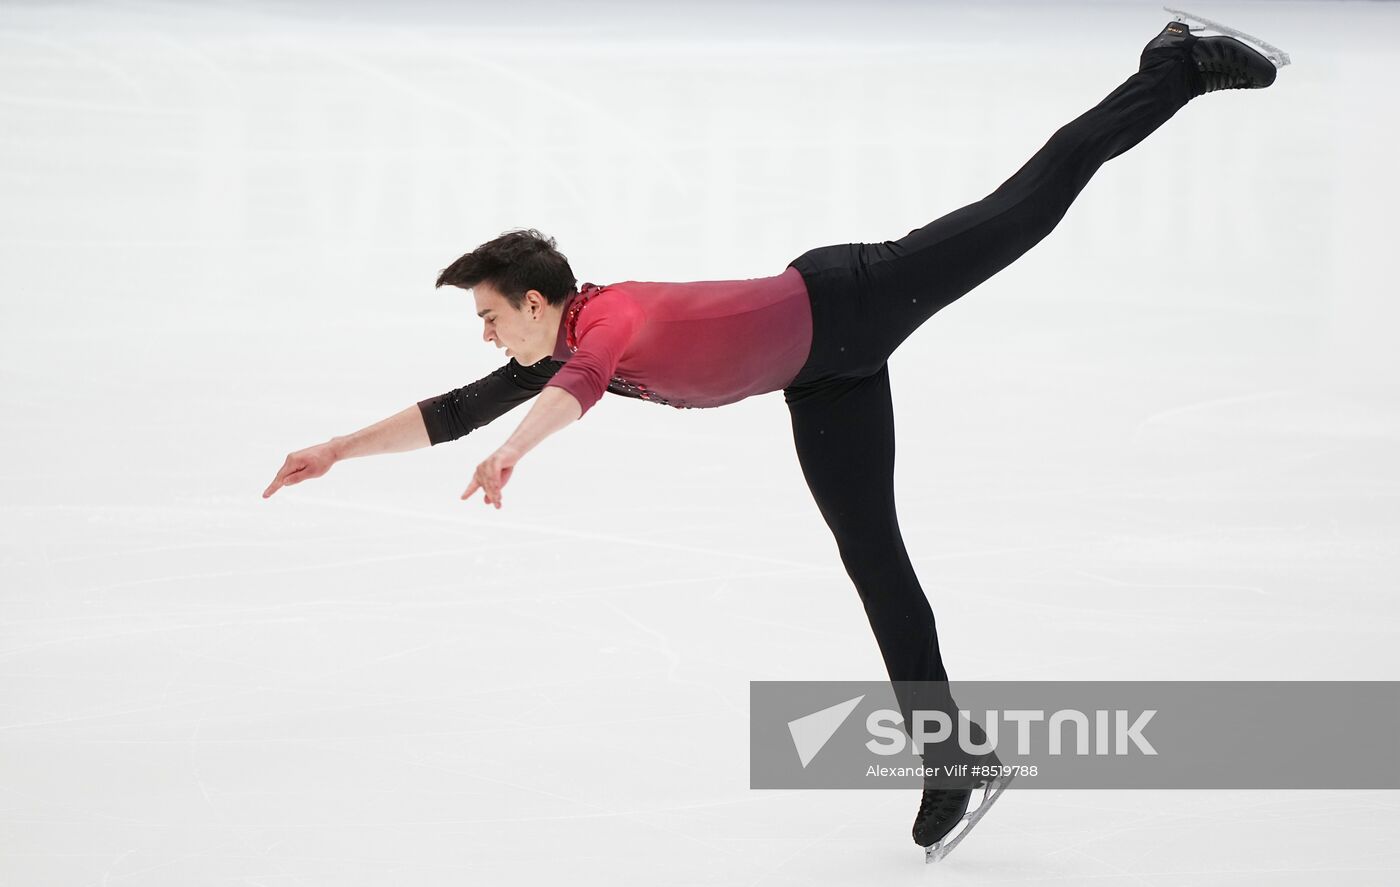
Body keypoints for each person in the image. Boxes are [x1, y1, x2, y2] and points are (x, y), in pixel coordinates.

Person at [264, 18, 1282, 860]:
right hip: (821, 375)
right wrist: (335, 448)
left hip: (858, 296)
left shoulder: (602, 322)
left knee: (1033, 200)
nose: (487, 336)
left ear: (534, 302)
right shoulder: (557, 343)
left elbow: (570, 392)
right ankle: (953, 757)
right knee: (872, 558)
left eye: (489, 316)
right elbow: (456, 409)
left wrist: (517, 453)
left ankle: (1174, 61)